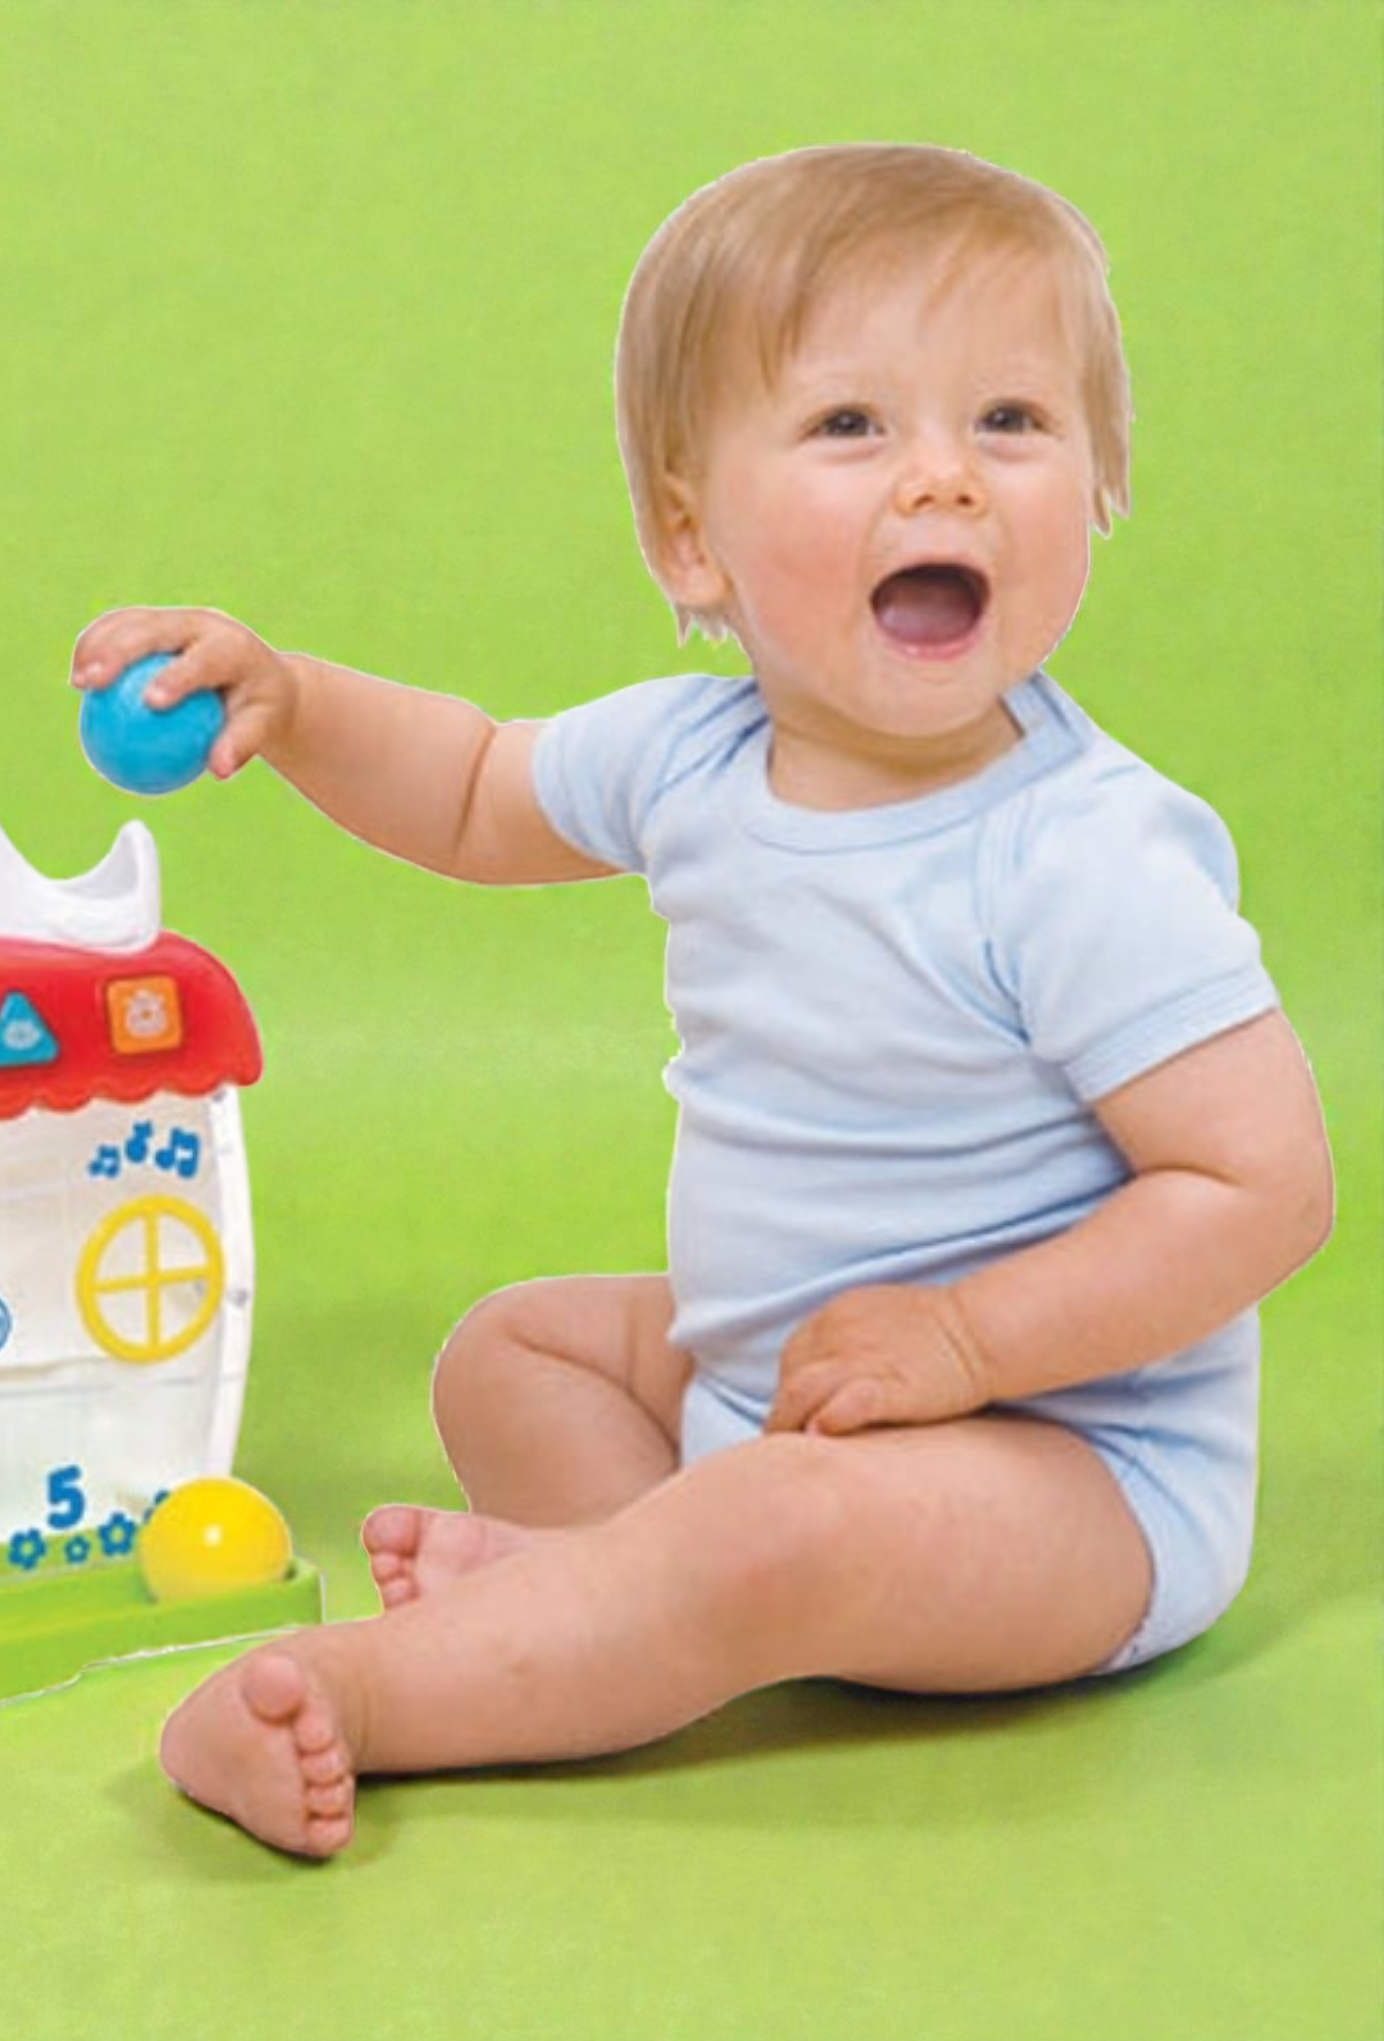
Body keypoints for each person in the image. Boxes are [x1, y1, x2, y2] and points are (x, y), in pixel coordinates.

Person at [68, 143, 1333, 1859]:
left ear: (1101, 482)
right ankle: (613, 1596)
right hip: (776, 1394)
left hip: (1070, 1472)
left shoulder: (1078, 853)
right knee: (512, 1354)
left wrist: (966, 1344)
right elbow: (468, 788)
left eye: (1014, 422)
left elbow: (1263, 1186)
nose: (947, 479)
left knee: (785, 1529)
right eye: (851, 426)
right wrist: (292, 701)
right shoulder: (692, 757)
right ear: (691, 537)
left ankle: (381, 1692)